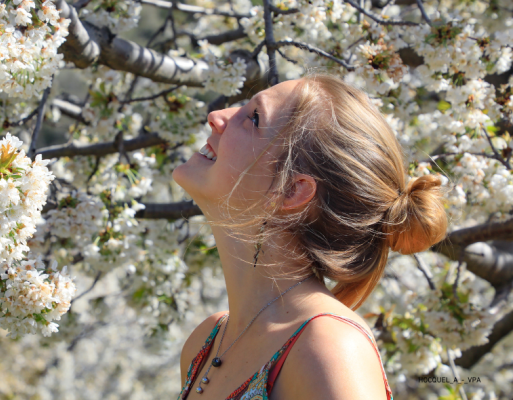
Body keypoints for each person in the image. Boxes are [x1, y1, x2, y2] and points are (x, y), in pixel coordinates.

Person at [172, 73, 448, 400]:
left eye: (254, 118)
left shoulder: (328, 349)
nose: (217, 117)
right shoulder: (207, 341)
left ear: (291, 190)